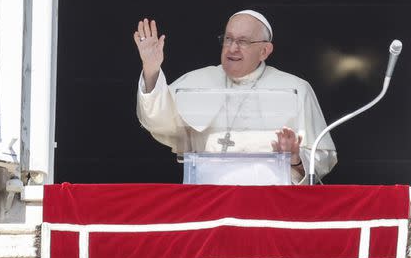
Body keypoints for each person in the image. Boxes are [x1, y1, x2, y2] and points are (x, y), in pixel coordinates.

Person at [134, 10, 337, 184]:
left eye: (243, 41)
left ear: (265, 50)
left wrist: (295, 158)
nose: (232, 48)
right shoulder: (196, 81)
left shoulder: (296, 88)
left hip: (272, 204)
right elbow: (158, 121)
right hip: (209, 201)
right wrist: (151, 71)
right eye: (228, 39)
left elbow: (323, 156)